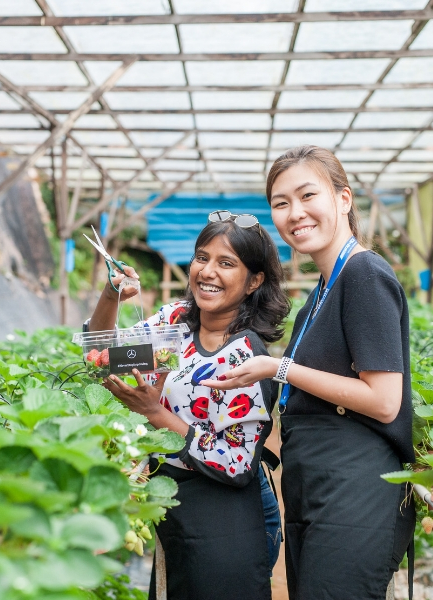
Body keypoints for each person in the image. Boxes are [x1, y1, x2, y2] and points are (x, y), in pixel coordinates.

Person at [202, 146, 415, 599]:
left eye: (307, 195)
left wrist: (280, 368)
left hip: (355, 491)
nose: (294, 213)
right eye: (281, 203)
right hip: (317, 486)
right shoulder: (321, 293)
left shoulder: (364, 274)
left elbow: (384, 401)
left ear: (343, 198)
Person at [85, 215, 290, 600]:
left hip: (226, 518)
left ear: (254, 280)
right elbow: (103, 356)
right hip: (175, 501)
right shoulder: (176, 320)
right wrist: (111, 295)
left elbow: (237, 463)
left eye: (226, 263)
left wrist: (156, 414)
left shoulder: (245, 355)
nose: (207, 272)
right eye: (201, 257)